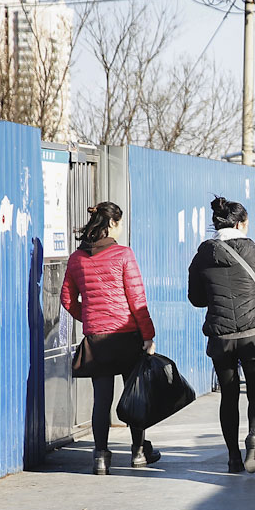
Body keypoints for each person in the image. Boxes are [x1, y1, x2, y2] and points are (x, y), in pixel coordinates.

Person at [61, 202, 160, 475]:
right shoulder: (123, 254)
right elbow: (137, 298)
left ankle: (100, 456)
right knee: (135, 395)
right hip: (127, 335)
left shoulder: (76, 258)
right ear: (113, 223)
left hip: (97, 339)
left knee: (101, 400)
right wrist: (148, 335)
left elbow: (67, 300)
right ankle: (139, 452)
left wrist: (91, 318)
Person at [188, 197, 255, 474]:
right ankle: (253, 434)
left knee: (228, 396)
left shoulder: (203, 254)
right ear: (240, 223)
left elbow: (196, 298)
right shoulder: (253, 251)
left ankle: (232, 458)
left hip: (221, 337)